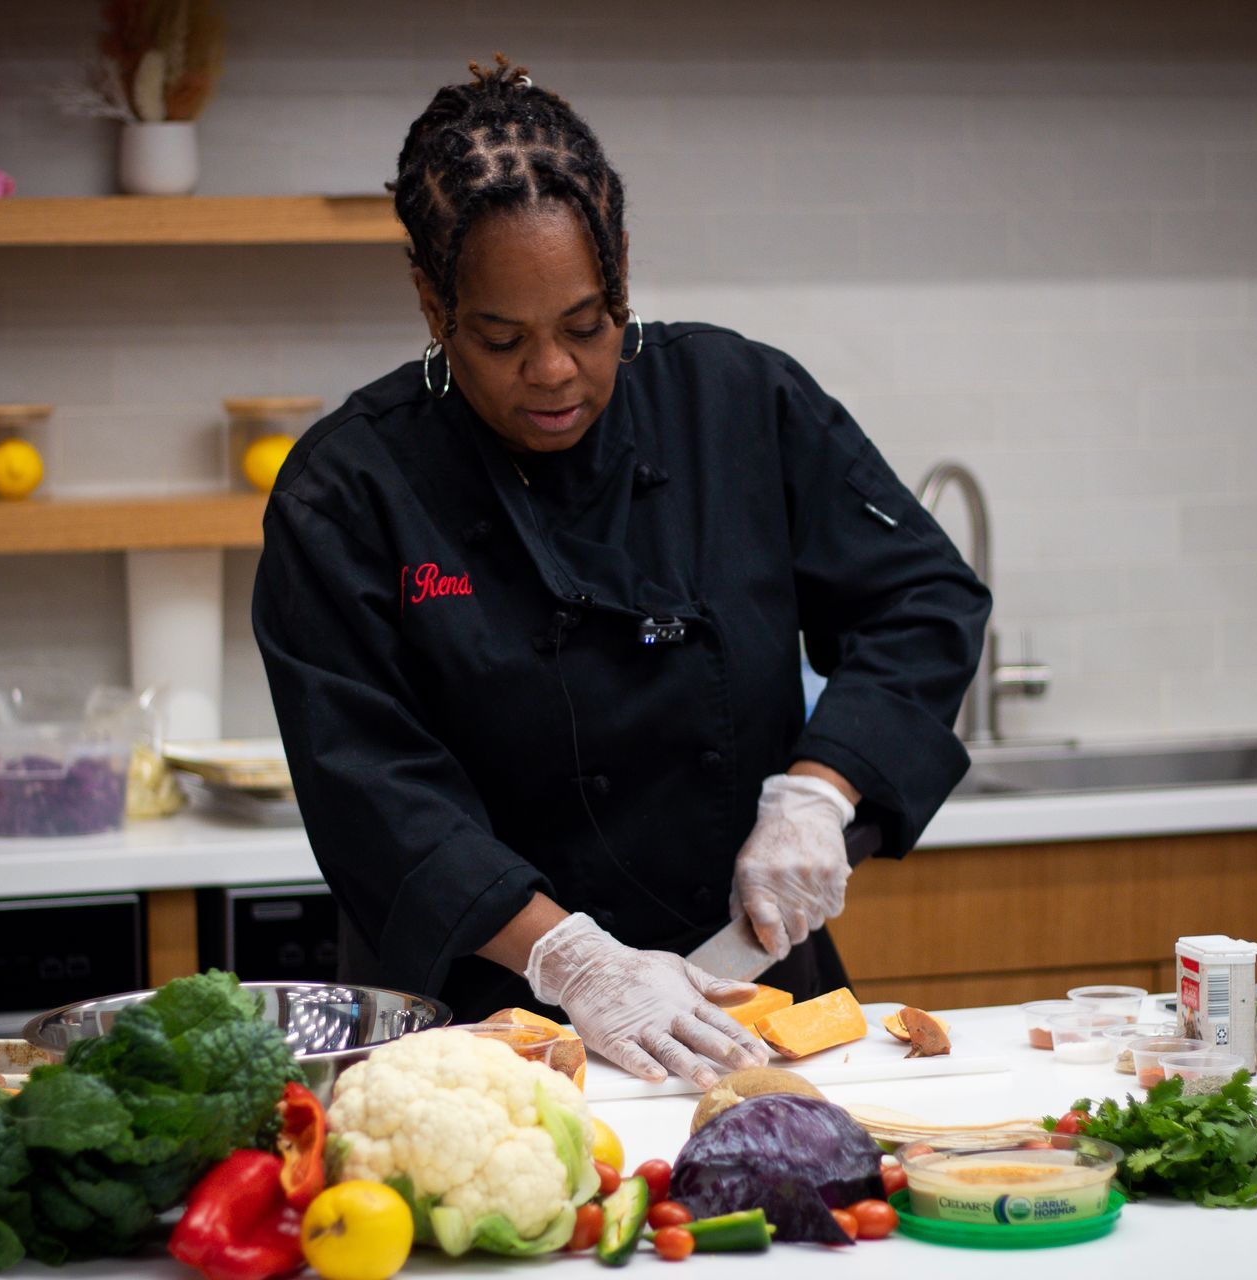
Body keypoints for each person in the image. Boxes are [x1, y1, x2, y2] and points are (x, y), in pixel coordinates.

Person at [253, 56, 989, 1088]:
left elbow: (921, 597)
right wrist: (576, 959)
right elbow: (370, 785)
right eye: (501, 338)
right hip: (491, 1019)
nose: (552, 370)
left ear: (623, 272)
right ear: (430, 299)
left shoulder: (736, 399)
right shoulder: (349, 490)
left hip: (751, 987)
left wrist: (818, 794)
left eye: (587, 324)